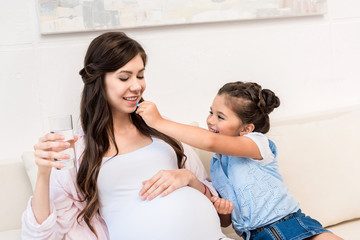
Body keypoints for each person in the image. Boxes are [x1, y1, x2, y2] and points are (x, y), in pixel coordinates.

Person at [21, 32, 229, 240]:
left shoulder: (161, 126)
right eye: (124, 77)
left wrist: (189, 178)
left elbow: (221, 212)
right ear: (98, 81)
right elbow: (41, 236)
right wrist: (43, 174)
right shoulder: (79, 148)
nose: (137, 86)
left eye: (140, 75)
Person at [136, 81, 343, 240]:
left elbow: (209, 141)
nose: (210, 120)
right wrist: (223, 211)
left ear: (246, 129)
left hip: (290, 226)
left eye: (220, 117)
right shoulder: (217, 164)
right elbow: (226, 221)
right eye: (211, 112)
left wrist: (159, 122)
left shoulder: (257, 144)